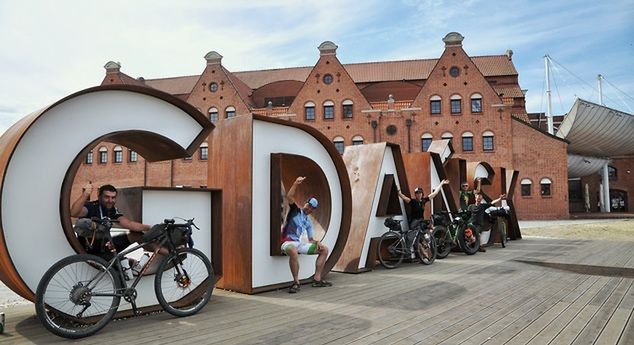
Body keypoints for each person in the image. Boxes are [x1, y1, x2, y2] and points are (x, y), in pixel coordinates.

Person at [71, 182, 151, 261]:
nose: (110, 200)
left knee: (136, 235)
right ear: (99, 197)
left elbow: (129, 224)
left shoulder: (112, 210)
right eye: (106, 197)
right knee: (124, 264)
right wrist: (85, 194)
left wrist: (150, 227)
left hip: (105, 246)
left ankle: (160, 252)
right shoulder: (91, 207)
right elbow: (73, 213)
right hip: (91, 250)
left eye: (113, 197)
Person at [281, 176, 331, 293]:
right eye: (309, 205)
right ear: (305, 204)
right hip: (286, 242)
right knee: (293, 249)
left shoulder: (308, 221)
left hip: (299, 243)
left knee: (324, 250)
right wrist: (295, 183)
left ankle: (317, 279)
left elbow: (310, 239)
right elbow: (289, 197)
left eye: (312, 208)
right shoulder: (295, 210)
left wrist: (317, 242)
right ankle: (296, 282)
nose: (309, 209)